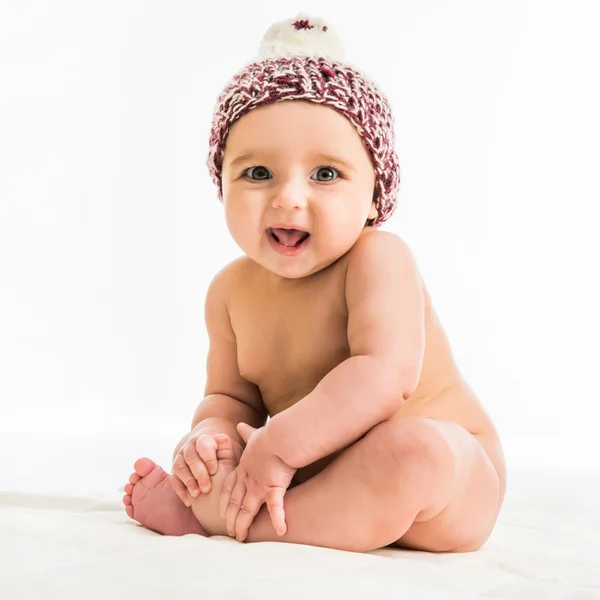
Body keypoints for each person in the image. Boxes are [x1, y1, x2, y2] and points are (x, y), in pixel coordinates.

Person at [122, 13, 507, 553]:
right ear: (221, 184)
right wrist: (208, 440)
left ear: (375, 196)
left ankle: (226, 524)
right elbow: (229, 397)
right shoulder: (229, 292)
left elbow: (385, 375)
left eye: (325, 174)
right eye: (257, 174)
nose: (288, 198)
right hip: (323, 479)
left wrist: (279, 449)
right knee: (229, 458)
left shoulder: (378, 258)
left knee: (413, 448)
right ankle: (251, 509)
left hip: (448, 486)